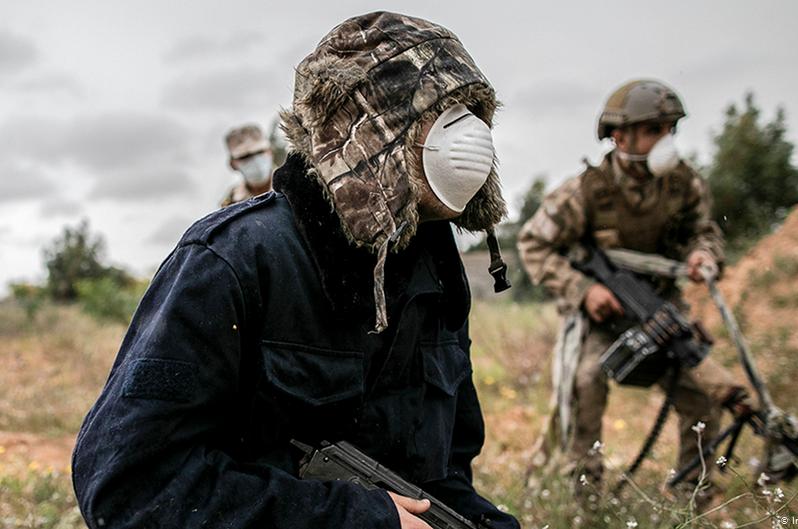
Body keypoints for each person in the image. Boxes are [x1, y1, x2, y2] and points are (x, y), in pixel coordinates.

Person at [72, 12, 519, 529]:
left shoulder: (433, 267)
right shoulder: (234, 259)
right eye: (438, 113)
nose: (469, 136)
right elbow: (129, 487)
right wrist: (355, 520)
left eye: (468, 111)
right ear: (363, 128)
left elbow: (442, 471)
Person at [517, 79, 751, 502]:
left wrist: (703, 256)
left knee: (702, 394)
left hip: (662, 309)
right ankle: (587, 500)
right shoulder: (585, 191)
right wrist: (584, 290)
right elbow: (533, 243)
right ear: (619, 135)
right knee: (585, 382)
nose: (666, 140)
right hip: (602, 316)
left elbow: (704, 233)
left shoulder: (684, 184)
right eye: (654, 129)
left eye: (670, 129)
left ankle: (690, 500)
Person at [220, 124, 274, 207]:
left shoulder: (293, 185)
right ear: (233, 164)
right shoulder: (231, 203)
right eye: (245, 157)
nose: (256, 160)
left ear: (270, 152)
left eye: (260, 152)